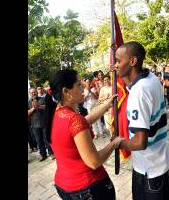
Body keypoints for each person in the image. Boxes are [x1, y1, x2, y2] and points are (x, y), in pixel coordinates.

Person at [45, 69, 124, 200]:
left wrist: (106, 105)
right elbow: (94, 161)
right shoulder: (74, 119)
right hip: (87, 188)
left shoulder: (56, 114)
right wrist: (114, 143)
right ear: (66, 91)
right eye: (78, 85)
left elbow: (84, 122)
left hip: (64, 186)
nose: (84, 86)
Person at [114, 41, 169, 200]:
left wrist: (118, 143)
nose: (115, 64)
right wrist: (122, 75)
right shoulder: (150, 77)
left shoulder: (139, 92)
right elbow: (134, 86)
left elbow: (140, 142)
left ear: (132, 61)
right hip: (158, 163)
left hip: (149, 171)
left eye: (119, 61)